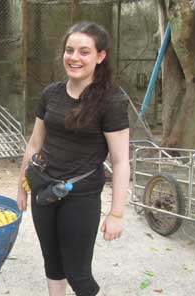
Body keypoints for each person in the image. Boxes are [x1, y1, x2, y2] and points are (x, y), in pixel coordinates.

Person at [17, 21, 130, 296]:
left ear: (100, 56)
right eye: (69, 50)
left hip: (80, 196)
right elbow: (34, 143)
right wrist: (22, 185)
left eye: (84, 52)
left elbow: (120, 161)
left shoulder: (111, 101)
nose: (74, 58)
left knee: (78, 274)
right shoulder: (51, 93)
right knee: (53, 263)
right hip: (43, 188)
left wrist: (116, 213)